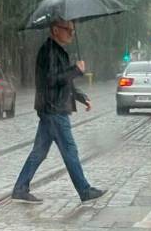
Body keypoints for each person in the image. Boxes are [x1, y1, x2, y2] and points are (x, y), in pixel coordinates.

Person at [11, 18, 105, 204]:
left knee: (39, 151)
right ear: (55, 30)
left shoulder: (58, 51)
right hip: (54, 109)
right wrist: (76, 70)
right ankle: (84, 191)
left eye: (73, 29)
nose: (72, 33)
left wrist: (80, 96)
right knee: (70, 150)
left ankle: (20, 188)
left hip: (52, 107)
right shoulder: (49, 52)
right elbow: (52, 80)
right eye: (68, 29)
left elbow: (64, 82)